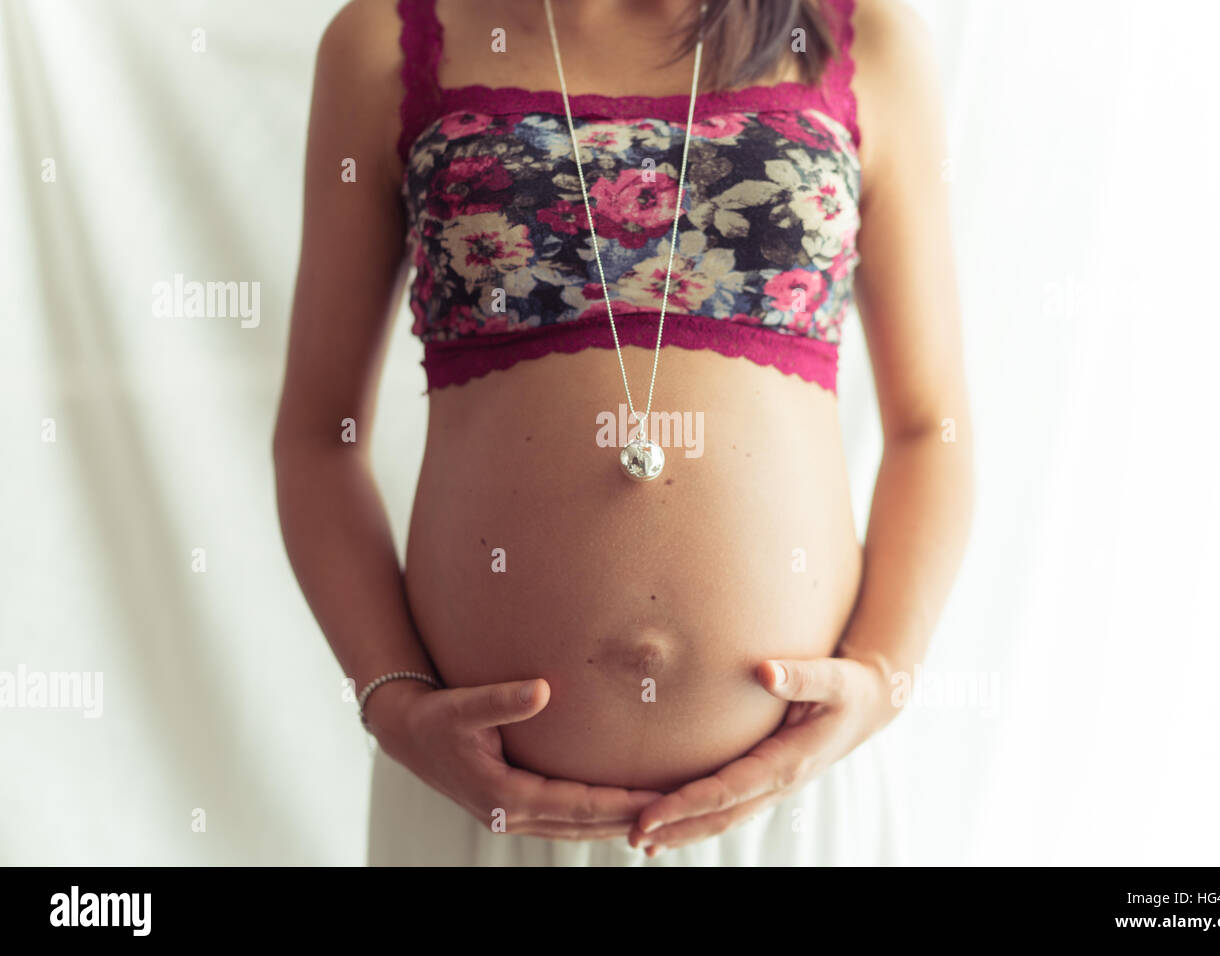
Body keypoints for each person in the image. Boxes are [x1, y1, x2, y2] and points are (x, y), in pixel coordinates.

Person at [273, 0, 972, 865]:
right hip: (487, 813)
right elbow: (317, 437)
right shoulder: (388, 38)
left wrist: (879, 681)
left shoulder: (858, 35)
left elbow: (929, 426)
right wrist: (393, 703)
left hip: (788, 805)